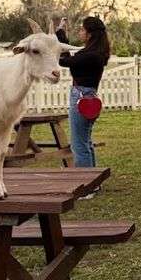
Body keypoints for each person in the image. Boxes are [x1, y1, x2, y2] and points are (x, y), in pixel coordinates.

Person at [56, 16, 111, 175]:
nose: (80, 32)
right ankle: (93, 181)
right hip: (89, 96)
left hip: (81, 97)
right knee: (85, 142)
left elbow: (64, 62)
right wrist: (61, 34)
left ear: (90, 34)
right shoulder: (95, 53)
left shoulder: (90, 55)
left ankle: (86, 182)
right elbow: (70, 60)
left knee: (79, 145)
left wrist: (60, 36)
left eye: (82, 29)